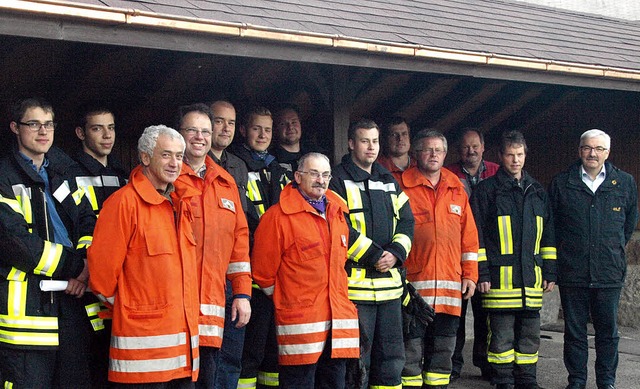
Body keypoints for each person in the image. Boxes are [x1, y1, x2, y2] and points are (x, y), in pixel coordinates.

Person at [87, 125, 200, 387]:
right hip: (141, 360)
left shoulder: (181, 204)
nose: (175, 164)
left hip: (183, 358)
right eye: (166, 155)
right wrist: (134, 309)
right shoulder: (123, 203)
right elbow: (101, 279)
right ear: (146, 158)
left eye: (179, 156)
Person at [0, 97, 95, 387]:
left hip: (72, 307)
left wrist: (87, 263)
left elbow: (88, 222)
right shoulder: (4, 176)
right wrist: (76, 267)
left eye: (49, 124)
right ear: (15, 127)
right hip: (28, 317)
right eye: (34, 124)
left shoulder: (64, 172)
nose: (43, 131)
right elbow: (14, 241)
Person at [251, 152, 360, 388]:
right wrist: (287, 299)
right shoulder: (277, 217)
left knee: (334, 383)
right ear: (298, 177)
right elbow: (262, 273)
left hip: (338, 323)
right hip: (300, 327)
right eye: (314, 174)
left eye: (325, 174)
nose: (320, 180)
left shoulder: (338, 213)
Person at [329, 119, 414, 389]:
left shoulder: (388, 179)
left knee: (391, 359)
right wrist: (375, 255)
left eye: (375, 141)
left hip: (390, 289)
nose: (371, 147)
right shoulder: (337, 180)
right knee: (357, 362)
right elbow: (337, 226)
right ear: (352, 144)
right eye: (365, 141)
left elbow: (407, 222)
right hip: (355, 290)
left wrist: (396, 253)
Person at [550, 129, 638, 389]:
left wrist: (611, 250)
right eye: (587, 148)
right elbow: (552, 227)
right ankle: (576, 381)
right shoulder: (562, 183)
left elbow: (628, 225)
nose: (592, 153)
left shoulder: (624, 182)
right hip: (572, 271)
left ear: (607, 153)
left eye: (599, 149)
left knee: (608, 334)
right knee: (575, 332)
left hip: (608, 271)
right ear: (579, 151)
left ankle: (606, 381)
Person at [174, 104, 252, 388]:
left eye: (205, 131)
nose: (200, 137)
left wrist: (242, 293)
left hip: (222, 298)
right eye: (192, 130)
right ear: (178, 134)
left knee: (222, 372)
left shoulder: (225, 181)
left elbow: (239, 242)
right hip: (178, 303)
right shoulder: (167, 178)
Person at [472, 130, 557, 389]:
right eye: (510, 155)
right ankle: (503, 381)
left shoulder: (538, 191)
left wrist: (550, 270)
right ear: (500, 156)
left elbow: (548, 236)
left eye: (520, 154)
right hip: (499, 281)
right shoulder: (487, 191)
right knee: (501, 338)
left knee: (530, 336)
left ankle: (527, 381)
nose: (516, 160)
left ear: (525, 155)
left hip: (531, 279)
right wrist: (481, 273)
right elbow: (475, 236)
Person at [399, 129, 479, 388]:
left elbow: (469, 239)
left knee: (442, 355)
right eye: (427, 149)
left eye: (438, 150)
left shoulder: (457, 188)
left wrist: (471, 275)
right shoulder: (401, 186)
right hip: (413, 289)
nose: (433, 155)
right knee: (410, 355)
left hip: (449, 290)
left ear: (445, 154)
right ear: (416, 153)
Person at [66, 104, 129, 387]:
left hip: (120, 284)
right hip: (82, 283)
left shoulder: (124, 174)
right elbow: (73, 229)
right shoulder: (68, 174)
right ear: (80, 133)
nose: (107, 135)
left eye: (111, 128)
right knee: (87, 364)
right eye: (97, 128)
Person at [232, 106, 289, 389]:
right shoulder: (236, 167)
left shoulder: (277, 168)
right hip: (250, 275)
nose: (263, 135)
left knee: (274, 352)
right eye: (257, 128)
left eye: (268, 129)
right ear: (243, 130)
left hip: (278, 274)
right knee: (250, 352)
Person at [445, 128, 499, 380]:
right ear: (458, 150)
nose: (471, 151)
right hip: (457, 254)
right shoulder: (449, 174)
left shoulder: (497, 171)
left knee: (485, 315)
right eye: (466, 147)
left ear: (483, 146)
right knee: (457, 315)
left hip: (488, 251)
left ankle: (484, 362)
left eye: (475, 146)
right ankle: (453, 365)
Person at [208, 100, 251, 389]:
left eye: (231, 123)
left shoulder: (238, 167)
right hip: (204, 279)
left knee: (231, 359)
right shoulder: (187, 166)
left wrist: (242, 289)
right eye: (219, 121)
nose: (225, 128)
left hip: (232, 278)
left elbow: (241, 229)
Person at [376, 116, 416, 183]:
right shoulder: (377, 167)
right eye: (394, 135)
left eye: (404, 134)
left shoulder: (421, 164)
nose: (400, 138)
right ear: (385, 139)